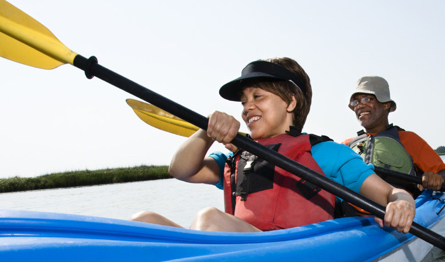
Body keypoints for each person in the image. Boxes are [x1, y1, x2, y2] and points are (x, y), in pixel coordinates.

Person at [131, 58, 416, 233]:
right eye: (243, 101)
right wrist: (206, 131)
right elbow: (180, 169)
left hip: (294, 256)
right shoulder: (236, 157)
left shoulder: (325, 154)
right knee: (143, 222)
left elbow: (390, 193)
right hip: (241, 254)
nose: (247, 107)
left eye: (258, 96)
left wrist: (403, 203)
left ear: (291, 102)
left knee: (209, 219)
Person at [342, 76, 445, 198]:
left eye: (366, 99)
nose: (359, 106)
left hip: (397, 211)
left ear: (385, 105)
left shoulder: (409, 140)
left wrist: (437, 178)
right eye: (356, 102)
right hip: (350, 214)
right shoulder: (346, 146)